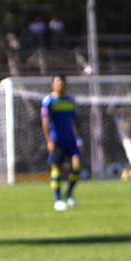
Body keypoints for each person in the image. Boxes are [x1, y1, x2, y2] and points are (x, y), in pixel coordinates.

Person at [41, 74, 83, 211]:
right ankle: (58, 200)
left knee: (77, 166)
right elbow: (45, 123)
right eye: (57, 82)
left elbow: (76, 121)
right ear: (53, 84)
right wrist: (49, 141)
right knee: (56, 169)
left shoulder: (71, 101)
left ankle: (69, 194)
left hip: (71, 140)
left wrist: (79, 138)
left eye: (62, 82)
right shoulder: (49, 101)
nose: (61, 84)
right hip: (56, 140)